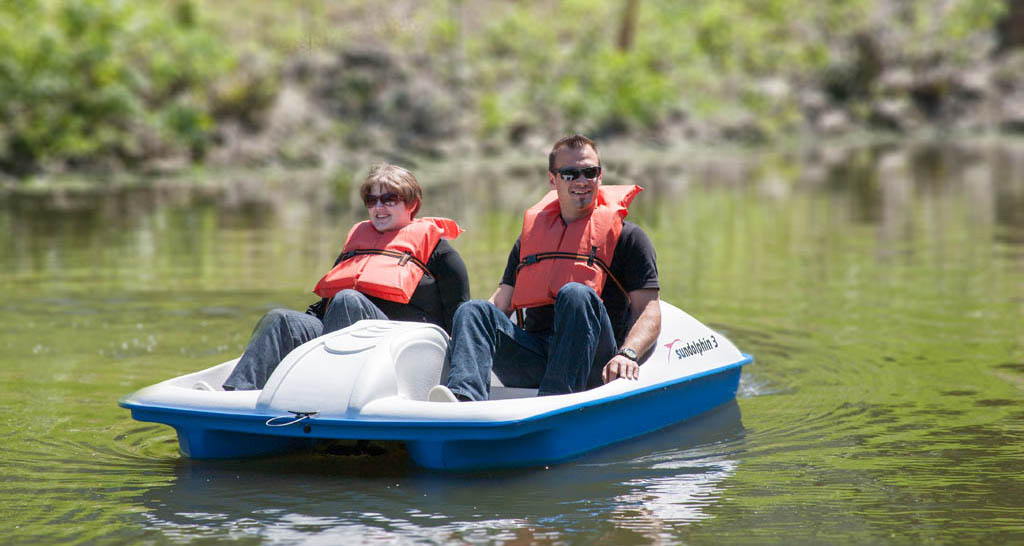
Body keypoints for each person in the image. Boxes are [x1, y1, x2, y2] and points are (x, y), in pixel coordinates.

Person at [431, 135, 660, 402]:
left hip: (593, 363)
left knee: (576, 293)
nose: (581, 181)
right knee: (472, 310)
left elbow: (648, 309)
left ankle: (556, 401)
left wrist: (628, 353)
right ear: (553, 180)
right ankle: (463, 402)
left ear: (600, 176)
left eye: (589, 172)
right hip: (535, 356)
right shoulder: (531, 239)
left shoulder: (629, 237)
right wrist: (468, 333)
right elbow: (500, 302)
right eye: (570, 174)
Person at [222, 163, 470, 391]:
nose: (379, 208)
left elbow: (460, 322)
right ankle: (235, 396)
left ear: (412, 204)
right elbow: (327, 305)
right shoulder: (356, 246)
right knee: (281, 319)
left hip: (406, 347)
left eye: (389, 199)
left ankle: (318, 393)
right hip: (341, 328)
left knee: (348, 300)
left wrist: (455, 379)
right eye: (372, 200)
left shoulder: (441, 254)